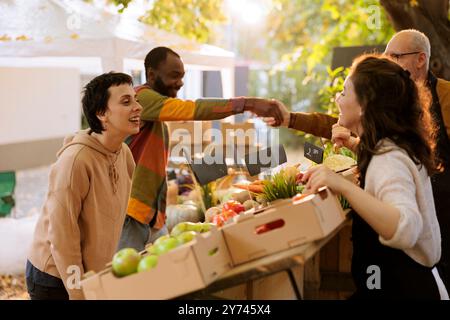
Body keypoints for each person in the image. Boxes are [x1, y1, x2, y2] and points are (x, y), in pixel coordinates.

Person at [268, 29, 450, 289]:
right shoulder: (391, 146)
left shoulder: (389, 158)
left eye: (344, 92)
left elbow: (406, 228)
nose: (337, 99)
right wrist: (355, 145)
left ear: (364, 105)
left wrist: (340, 184)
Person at [117, 47, 287, 252]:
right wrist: (247, 104)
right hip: (132, 212)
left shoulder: (155, 109)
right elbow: (190, 109)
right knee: (129, 279)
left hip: (150, 215)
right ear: (152, 75)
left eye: (182, 76)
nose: (179, 82)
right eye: (174, 76)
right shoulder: (141, 99)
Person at [26, 72, 140, 300]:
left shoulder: (124, 153)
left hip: (89, 273)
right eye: (126, 102)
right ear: (101, 114)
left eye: (136, 100)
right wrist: (77, 292)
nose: (137, 107)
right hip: (54, 277)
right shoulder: (75, 161)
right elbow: (61, 236)